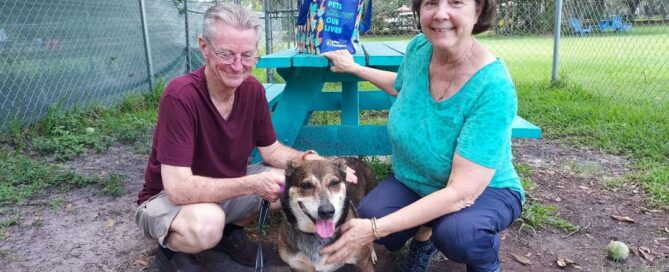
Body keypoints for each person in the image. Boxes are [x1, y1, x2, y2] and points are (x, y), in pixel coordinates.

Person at [320, 0, 523, 272]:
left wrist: (374, 229)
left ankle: (485, 262)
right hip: (417, 179)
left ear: (479, 11)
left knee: (460, 234)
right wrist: (354, 68)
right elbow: (400, 85)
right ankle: (424, 238)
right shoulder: (419, 48)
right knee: (372, 213)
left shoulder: (493, 87)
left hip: (484, 190)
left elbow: (461, 192)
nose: (440, 13)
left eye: (455, 3)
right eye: (430, 3)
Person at [134, 3, 327, 271]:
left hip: (220, 186)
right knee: (207, 223)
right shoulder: (180, 96)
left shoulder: (253, 90)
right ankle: (171, 253)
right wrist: (251, 184)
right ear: (204, 48)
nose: (238, 66)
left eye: (247, 55)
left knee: (291, 184)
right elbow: (178, 189)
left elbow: (271, 151)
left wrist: (310, 161)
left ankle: (228, 235)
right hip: (165, 198)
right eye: (226, 54)